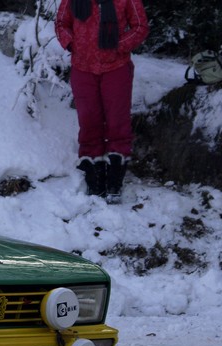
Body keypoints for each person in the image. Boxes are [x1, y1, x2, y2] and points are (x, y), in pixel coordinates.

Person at [55, 0, 149, 201]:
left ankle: (115, 177)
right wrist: (73, 43)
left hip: (116, 67)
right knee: (89, 121)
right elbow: (61, 23)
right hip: (82, 68)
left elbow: (140, 26)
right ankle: (94, 174)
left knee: (117, 121)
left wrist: (118, 45)